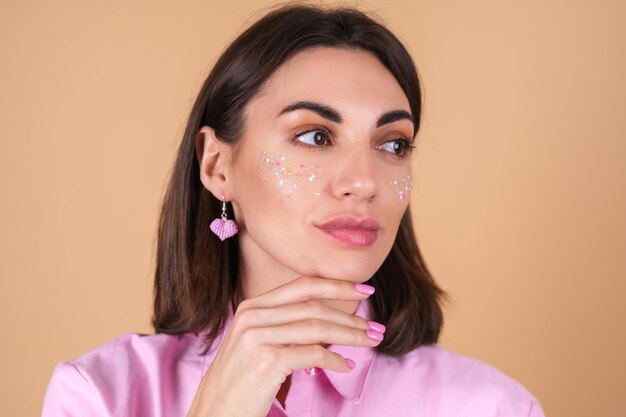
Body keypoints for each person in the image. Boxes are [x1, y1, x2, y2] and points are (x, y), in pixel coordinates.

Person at [42, 4, 545, 417]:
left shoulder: (491, 406)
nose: (363, 181)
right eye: (315, 136)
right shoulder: (99, 396)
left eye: (392, 144)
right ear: (217, 165)